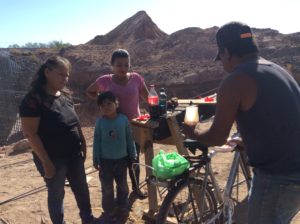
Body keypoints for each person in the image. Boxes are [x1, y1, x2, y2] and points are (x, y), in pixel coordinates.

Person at [183, 21, 300, 224]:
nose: (222, 64)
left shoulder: (235, 80)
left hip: (278, 177)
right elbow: (282, 120)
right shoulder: (278, 71)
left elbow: (217, 136)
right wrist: (250, 141)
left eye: (221, 58)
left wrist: (192, 132)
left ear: (226, 52)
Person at [19, 56, 96, 224]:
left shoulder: (65, 95)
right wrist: (46, 162)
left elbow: (74, 122)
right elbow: (30, 134)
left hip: (73, 154)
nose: (65, 78)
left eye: (67, 75)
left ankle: (88, 218)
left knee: (81, 188)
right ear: (47, 72)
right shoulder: (33, 100)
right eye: (61, 74)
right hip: (53, 158)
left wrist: (82, 142)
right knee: (56, 193)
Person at [86, 49, 148, 198]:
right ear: (112, 65)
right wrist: (102, 102)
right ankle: (119, 193)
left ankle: (136, 188)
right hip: (112, 126)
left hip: (134, 126)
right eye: (119, 65)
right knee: (115, 159)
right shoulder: (104, 80)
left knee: (134, 159)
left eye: (126, 65)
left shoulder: (136, 79)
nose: (123, 68)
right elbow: (90, 91)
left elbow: (148, 97)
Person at [93, 91, 137, 221]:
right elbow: (96, 142)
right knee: (107, 187)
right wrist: (96, 158)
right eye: (102, 105)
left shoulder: (123, 120)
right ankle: (109, 209)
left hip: (122, 160)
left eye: (109, 103)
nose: (106, 107)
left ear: (116, 104)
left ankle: (122, 205)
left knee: (122, 184)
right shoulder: (100, 123)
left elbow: (130, 138)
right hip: (105, 161)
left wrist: (132, 154)